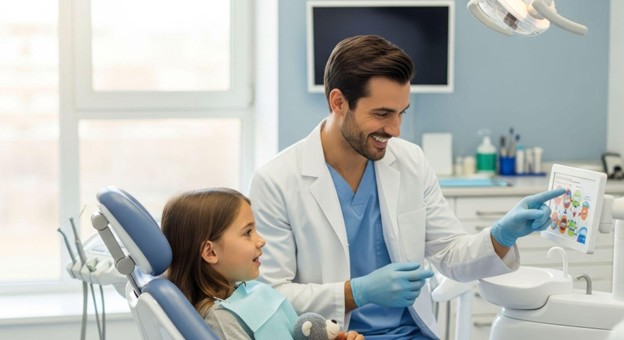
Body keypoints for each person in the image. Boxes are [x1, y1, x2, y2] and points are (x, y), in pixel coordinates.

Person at [248, 35, 564, 339]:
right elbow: (271, 295)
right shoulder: (276, 181)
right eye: (382, 114)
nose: (395, 130)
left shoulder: (410, 161)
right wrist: (354, 292)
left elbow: (449, 254)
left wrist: (500, 236)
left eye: (401, 113)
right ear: (338, 102)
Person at [161, 187, 364, 340]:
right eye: (248, 232)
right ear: (211, 252)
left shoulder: (249, 291)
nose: (261, 240)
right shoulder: (222, 319)